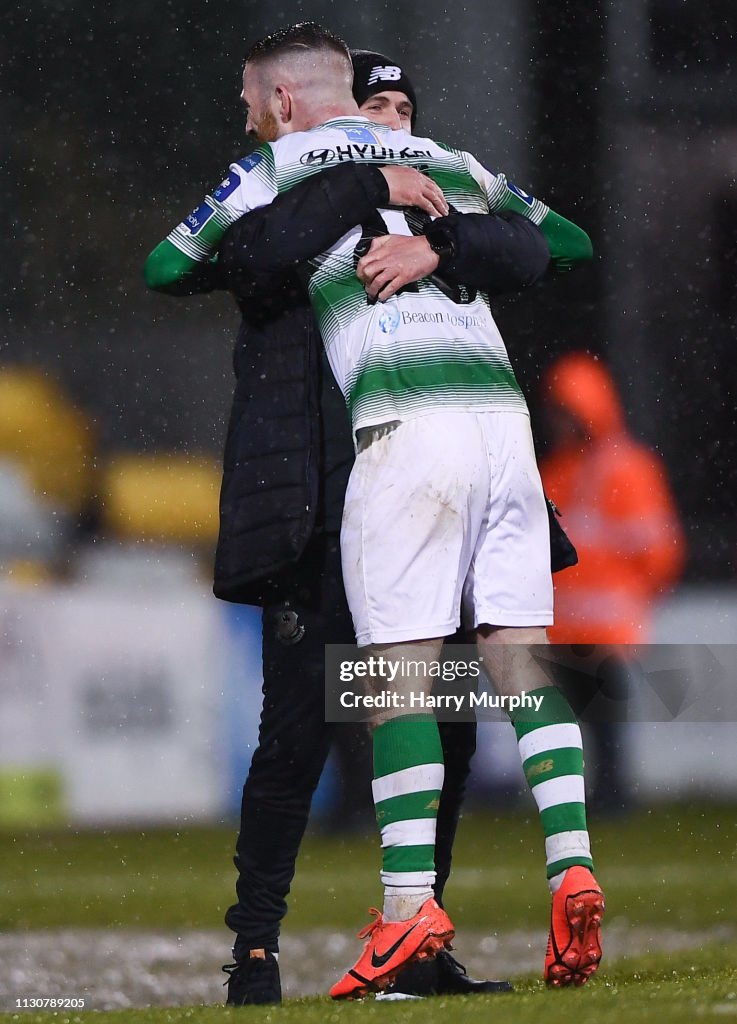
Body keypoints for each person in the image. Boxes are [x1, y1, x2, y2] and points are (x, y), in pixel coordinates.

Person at [145, 23, 604, 997]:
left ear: (279, 103)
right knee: (513, 663)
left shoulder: (281, 164)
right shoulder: (447, 158)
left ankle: (403, 917)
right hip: (504, 435)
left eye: (247, 103)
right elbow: (563, 243)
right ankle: (570, 865)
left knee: (389, 688)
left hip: (399, 443)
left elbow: (170, 265)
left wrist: (413, 233)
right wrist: (440, 230)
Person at [539, 351, 684, 812]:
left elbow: (658, 549)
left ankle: (613, 798)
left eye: (563, 409)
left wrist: (633, 601)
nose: (556, 420)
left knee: (604, 725)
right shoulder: (558, 468)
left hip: (606, 627)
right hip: (567, 624)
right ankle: (599, 799)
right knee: (579, 723)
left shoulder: (626, 468)